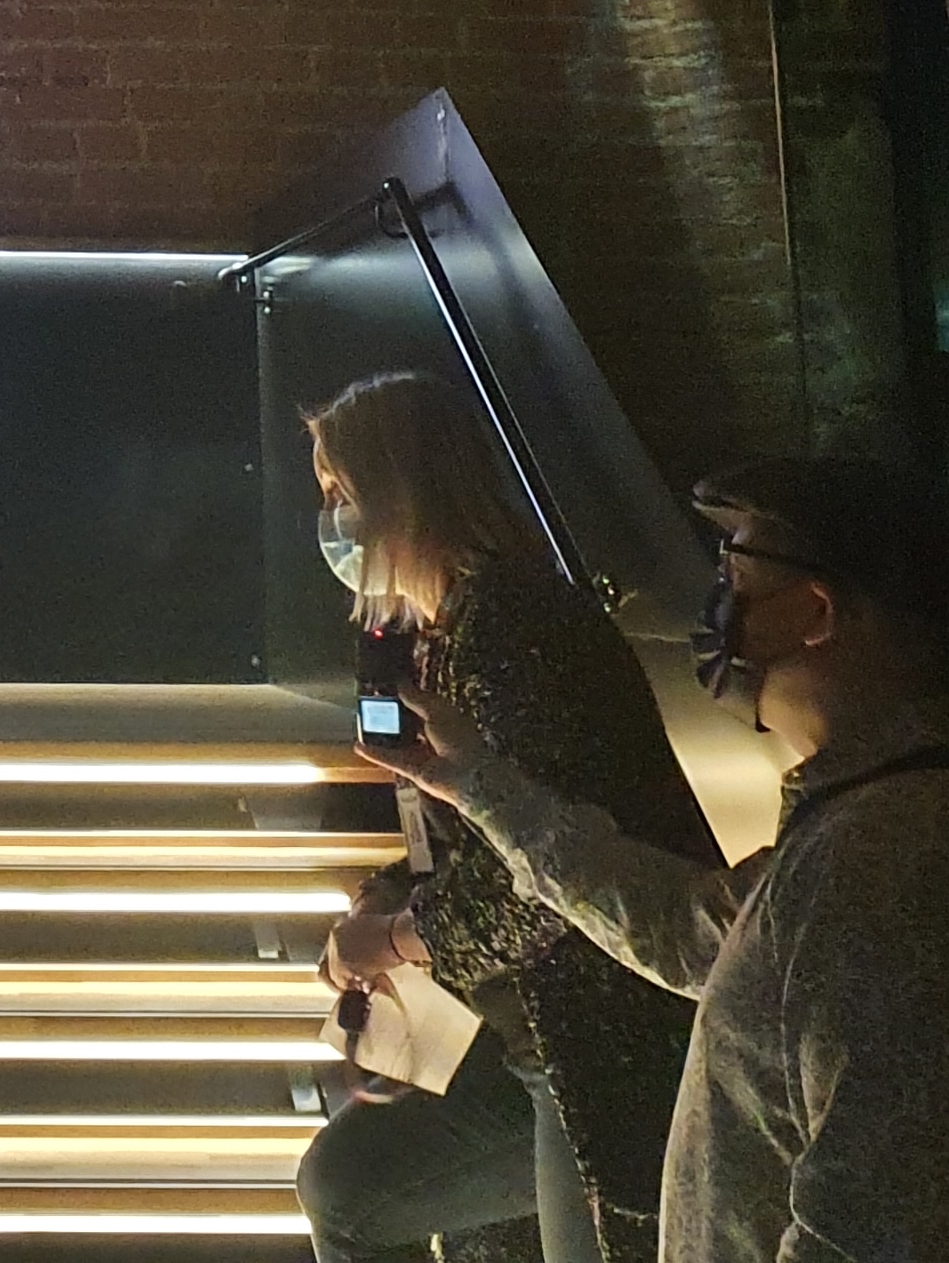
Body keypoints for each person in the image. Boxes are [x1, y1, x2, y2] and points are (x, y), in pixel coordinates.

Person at [384, 453, 949, 1263]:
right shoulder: (859, 827)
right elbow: (690, 931)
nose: (718, 598)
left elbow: (877, 1231)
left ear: (815, 612)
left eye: (739, 568)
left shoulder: (903, 858)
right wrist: (482, 784)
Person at [298, 374, 719, 1263]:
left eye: (345, 492)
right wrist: (388, 907)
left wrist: (398, 939)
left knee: (352, 1193)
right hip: (532, 1039)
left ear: (404, 492)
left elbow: (544, 883)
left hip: (596, 1050)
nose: (335, 520)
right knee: (348, 1187)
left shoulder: (515, 629)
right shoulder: (450, 631)